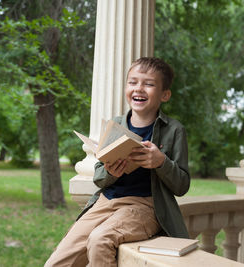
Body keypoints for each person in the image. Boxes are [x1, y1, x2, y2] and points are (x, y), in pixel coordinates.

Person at [45, 57, 190, 267]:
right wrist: (111, 171)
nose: (139, 88)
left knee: (100, 240)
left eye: (148, 84)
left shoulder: (175, 130)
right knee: (57, 262)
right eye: (132, 82)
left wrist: (161, 162)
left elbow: (182, 185)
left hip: (145, 206)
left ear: (164, 94)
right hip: (105, 202)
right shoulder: (116, 124)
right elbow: (99, 179)